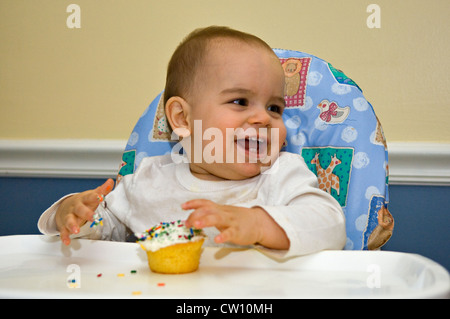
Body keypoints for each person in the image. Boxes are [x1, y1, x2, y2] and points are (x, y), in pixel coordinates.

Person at [38, 26, 346, 258]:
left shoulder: (281, 175)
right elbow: (103, 233)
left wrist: (259, 223)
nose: (263, 119)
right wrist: (72, 214)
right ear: (183, 119)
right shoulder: (147, 180)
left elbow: (331, 226)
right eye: (240, 101)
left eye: (274, 108)